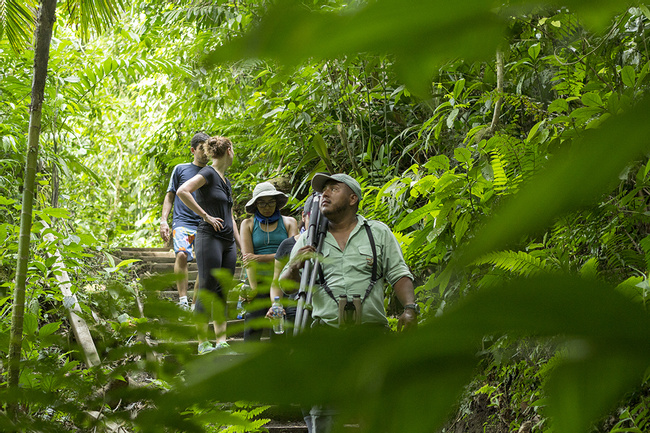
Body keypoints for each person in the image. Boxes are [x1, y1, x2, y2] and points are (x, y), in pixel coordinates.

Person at [280, 173, 418, 433]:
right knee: (324, 413)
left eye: (334, 189)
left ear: (353, 198)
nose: (325, 194)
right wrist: (295, 265)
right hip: (325, 337)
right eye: (323, 191)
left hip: (372, 336)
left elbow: (399, 273)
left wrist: (410, 309)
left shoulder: (377, 233)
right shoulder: (308, 239)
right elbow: (286, 285)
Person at [176, 136, 242, 354]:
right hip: (209, 237)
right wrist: (205, 216)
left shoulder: (225, 180)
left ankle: (221, 341)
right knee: (207, 288)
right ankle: (202, 342)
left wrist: (241, 245)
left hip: (227, 241)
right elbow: (183, 191)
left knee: (222, 291)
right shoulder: (208, 173)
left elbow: (230, 216)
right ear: (228, 151)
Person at [239, 182, 298, 342]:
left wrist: (259, 257)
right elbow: (247, 259)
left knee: (278, 328)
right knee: (252, 327)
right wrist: (253, 288)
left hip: (283, 282)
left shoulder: (289, 222)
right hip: (258, 280)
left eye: (271, 202)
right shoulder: (248, 224)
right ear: (255, 204)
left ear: (277, 202)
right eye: (262, 203)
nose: (267, 207)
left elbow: (291, 255)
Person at [160, 132, 209, 310]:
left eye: (208, 149)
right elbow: (170, 196)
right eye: (201, 149)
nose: (205, 153)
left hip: (204, 224)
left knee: (205, 264)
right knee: (181, 254)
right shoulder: (180, 169)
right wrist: (164, 221)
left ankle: (195, 305)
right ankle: (182, 300)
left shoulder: (212, 172)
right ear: (193, 150)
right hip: (183, 222)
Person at [265, 194, 315, 334]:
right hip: (294, 307)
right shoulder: (288, 245)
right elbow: (276, 281)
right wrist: (276, 305)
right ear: (303, 216)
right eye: (312, 216)